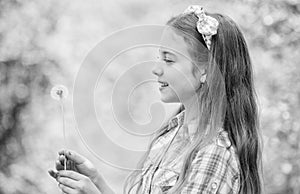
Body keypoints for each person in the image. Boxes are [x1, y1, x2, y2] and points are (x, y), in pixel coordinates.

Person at [48, 5, 263, 194]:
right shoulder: (172, 135)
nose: (156, 69)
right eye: (159, 57)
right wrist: (96, 182)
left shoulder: (212, 153)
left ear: (205, 70)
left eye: (169, 60)